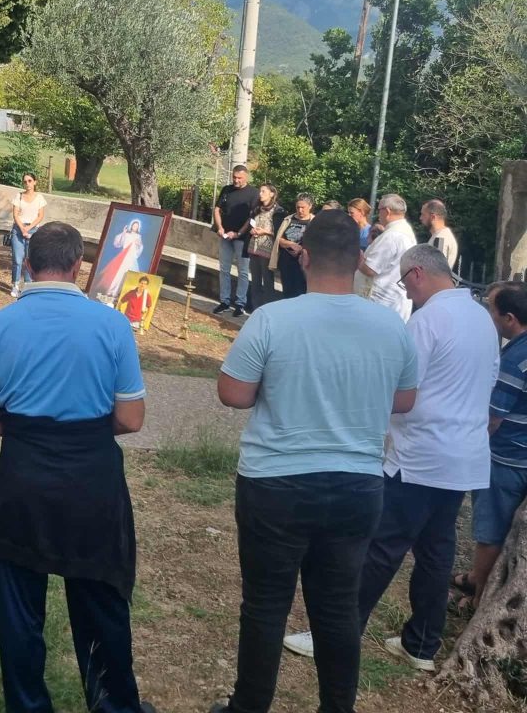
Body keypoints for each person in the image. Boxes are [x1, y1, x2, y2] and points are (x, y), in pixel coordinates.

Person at [213, 211, 419, 713]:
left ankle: (249, 706)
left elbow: (233, 393)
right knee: (338, 607)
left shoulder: (272, 319)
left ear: (303, 257)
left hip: (275, 482)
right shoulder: (390, 326)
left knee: (265, 604)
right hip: (357, 484)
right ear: (359, 259)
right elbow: (404, 400)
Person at [0, 222, 158, 713]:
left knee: (20, 604)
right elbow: (131, 419)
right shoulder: (111, 325)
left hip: (23, 476)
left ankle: (28, 705)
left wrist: (30, 429)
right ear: (79, 266)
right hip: (92, 478)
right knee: (100, 599)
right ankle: (114, 704)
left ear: (28, 264)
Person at [286, 243, 497, 674]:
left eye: (404, 282)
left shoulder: (429, 319)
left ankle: (334, 635)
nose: (407, 291)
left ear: (417, 273)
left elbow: (401, 384)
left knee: (379, 547)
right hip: (463, 455)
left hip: (420, 455)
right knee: (436, 551)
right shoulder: (480, 317)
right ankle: (422, 643)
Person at [454, 281, 527, 610]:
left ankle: (480, 598)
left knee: (491, 530)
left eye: (491, 309)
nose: (488, 315)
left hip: (506, 457)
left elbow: (493, 418)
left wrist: (468, 446)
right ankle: (477, 578)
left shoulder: (516, 358)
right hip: (522, 455)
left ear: (509, 319)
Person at [358, 194, 418, 319]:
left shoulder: (392, 236)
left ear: (387, 211)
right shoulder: (405, 230)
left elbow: (370, 269)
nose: (378, 214)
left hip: (384, 303)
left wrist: (358, 257)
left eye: (379, 210)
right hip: (395, 300)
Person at [212, 165, 259, 317]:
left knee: (243, 272)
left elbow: (252, 217)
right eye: (234, 177)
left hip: (242, 238)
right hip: (225, 235)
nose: (236, 180)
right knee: (224, 269)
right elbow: (217, 209)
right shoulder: (227, 189)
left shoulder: (253, 193)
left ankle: (240, 303)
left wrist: (238, 233)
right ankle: (224, 301)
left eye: (240, 178)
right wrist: (220, 227)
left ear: (246, 177)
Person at [268, 193, 315, 300]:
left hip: (304, 263)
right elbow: (279, 239)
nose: (300, 210)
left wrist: (301, 249)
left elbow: (316, 243)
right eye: (298, 207)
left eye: (303, 207)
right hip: (286, 261)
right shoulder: (288, 219)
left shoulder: (314, 221)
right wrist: (291, 244)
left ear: (310, 206)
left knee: (301, 292)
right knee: (287, 291)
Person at [9, 172, 48, 296]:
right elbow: (15, 214)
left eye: (30, 181)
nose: (27, 184)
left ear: (35, 182)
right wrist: (22, 228)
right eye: (25, 181)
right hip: (18, 230)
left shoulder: (39, 198)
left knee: (29, 259)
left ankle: (27, 285)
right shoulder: (19, 196)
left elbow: (40, 216)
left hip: (32, 229)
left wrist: (29, 228)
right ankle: (15, 284)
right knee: (17, 259)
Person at [247, 184, 284, 309]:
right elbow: (251, 223)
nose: (260, 194)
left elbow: (280, 232)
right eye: (260, 191)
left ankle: (268, 308)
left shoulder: (278, 211)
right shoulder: (257, 208)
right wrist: (252, 230)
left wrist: (265, 232)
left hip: (268, 250)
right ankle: (255, 308)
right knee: (255, 280)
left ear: (271, 194)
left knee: (268, 280)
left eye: (263, 191)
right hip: (254, 247)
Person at [93, 218, 145, 302]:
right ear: (131, 226)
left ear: (138, 228)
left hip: (131, 257)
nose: (135, 227)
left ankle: (122, 292)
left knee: (128, 274)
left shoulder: (138, 236)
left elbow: (140, 248)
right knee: (118, 273)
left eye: (136, 226)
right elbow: (118, 243)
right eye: (134, 225)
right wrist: (123, 233)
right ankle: (112, 291)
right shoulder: (126, 234)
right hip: (124, 255)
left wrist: (139, 245)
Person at [420, 199, 458, 270]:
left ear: (433, 217)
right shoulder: (439, 235)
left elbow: (436, 270)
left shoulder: (441, 238)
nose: (420, 218)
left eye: (423, 214)